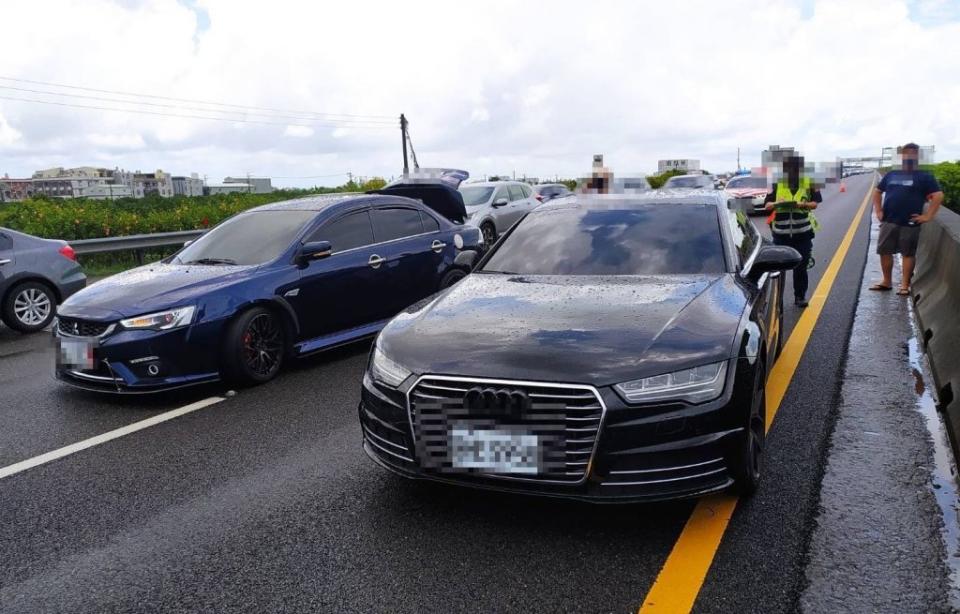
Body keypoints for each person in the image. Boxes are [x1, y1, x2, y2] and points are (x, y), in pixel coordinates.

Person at [869, 143, 944, 296]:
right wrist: (878, 210)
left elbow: (938, 196)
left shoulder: (925, 176)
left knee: (908, 254)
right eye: (906, 154)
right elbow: (877, 192)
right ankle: (886, 281)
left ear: (917, 157)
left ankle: (904, 285)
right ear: (901, 156)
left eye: (913, 154)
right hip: (889, 220)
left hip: (910, 222)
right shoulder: (892, 174)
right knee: (885, 251)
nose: (909, 157)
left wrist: (928, 216)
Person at [764, 151, 822, 308]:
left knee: (801, 267)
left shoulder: (809, 182)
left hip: (803, 234)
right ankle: (777, 301)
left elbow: (816, 203)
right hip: (781, 235)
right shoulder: (776, 183)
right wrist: (776, 204)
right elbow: (767, 205)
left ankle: (800, 296)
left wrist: (802, 205)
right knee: (779, 270)